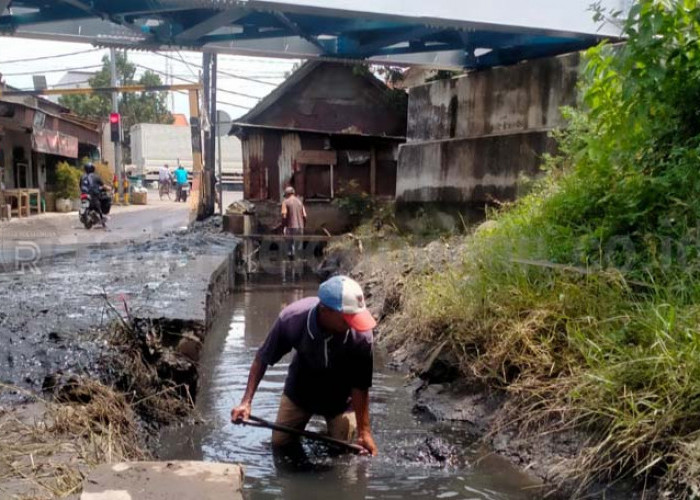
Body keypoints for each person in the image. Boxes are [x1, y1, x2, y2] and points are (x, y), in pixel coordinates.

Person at [231, 275, 379, 456]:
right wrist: (246, 402)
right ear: (325, 311)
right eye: (347, 319)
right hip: (300, 392)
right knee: (280, 444)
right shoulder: (292, 319)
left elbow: (360, 385)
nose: (352, 325)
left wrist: (365, 433)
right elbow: (262, 358)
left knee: (345, 454)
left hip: (340, 399)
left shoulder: (361, 336)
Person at [281, 186, 306, 259]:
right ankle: (298, 266)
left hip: (290, 227)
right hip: (300, 227)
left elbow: (284, 216)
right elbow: (304, 216)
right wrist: (303, 226)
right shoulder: (300, 202)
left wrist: (283, 226)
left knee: (290, 250)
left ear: (287, 194)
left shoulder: (285, 202)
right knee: (298, 249)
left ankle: (291, 266)